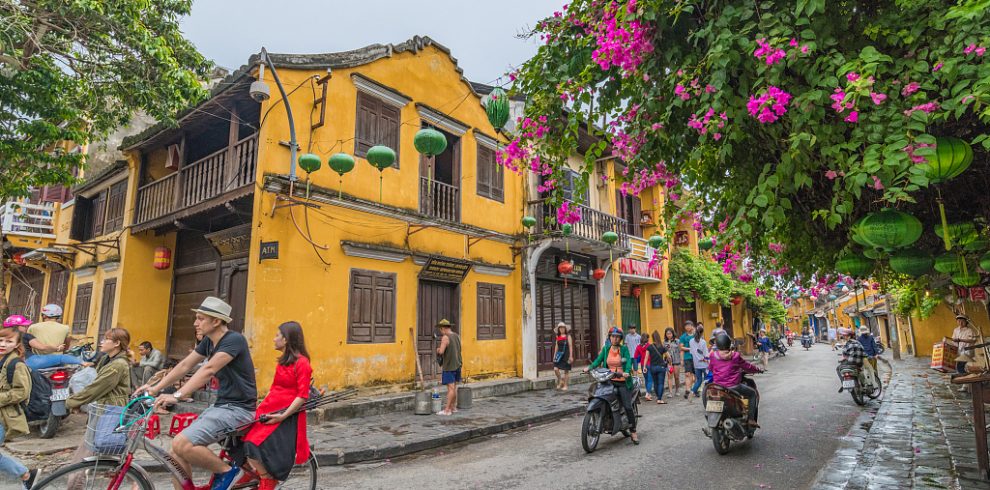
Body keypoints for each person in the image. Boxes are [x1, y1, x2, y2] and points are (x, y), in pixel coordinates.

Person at [138, 297, 257, 490]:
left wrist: (176, 395)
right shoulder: (209, 342)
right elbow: (185, 365)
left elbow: (208, 369)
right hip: (221, 407)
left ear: (216, 321)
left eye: (200, 318)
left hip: (239, 409)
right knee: (176, 453)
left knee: (183, 444)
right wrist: (154, 388)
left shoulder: (234, 340)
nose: (195, 323)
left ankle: (229, 472)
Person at [241, 322, 312, 490]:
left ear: (286, 339)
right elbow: (275, 389)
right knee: (239, 437)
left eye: (277, 336)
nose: (274, 339)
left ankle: (267, 480)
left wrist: (283, 415)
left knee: (251, 444)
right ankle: (257, 476)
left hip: (284, 414)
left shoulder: (302, 363)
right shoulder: (283, 361)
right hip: (269, 409)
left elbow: (302, 395)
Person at [0, 320, 40, 489]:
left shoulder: (16, 365)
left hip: (3, 418)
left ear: (17, 345)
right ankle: (26, 474)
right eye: (1, 340)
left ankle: (26, 473)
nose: (3, 344)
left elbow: (21, 392)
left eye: (9, 341)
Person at [585, 327, 638, 444]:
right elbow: (597, 361)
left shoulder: (624, 349)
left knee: (628, 406)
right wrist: (589, 368)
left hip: (622, 381)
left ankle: (633, 431)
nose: (614, 338)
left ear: (620, 338)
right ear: (610, 337)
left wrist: (626, 372)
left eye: (617, 336)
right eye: (613, 336)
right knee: (598, 393)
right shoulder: (606, 349)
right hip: (608, 380)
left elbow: (628, 362)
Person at [708, 333, 763, 427]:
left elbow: (710, 368)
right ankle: (750, 419)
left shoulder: (713, 356)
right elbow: (747, 366)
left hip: (718, 387)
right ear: (729, 344)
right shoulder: (735, 356)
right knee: (752, 393)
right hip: (733, 386)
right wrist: (757, 369)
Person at [25, 304, 82, 370]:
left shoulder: (33, 327)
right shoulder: (65, 328)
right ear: (58, 316)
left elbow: (27, 343)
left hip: (38, 362)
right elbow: (66, 346)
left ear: (44, 315)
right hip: (58, 361)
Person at [436, 319, 462, 416]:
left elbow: (441, 352)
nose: (440, 331)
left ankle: (447, 410)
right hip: (457, 364)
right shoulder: (457, 336)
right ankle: (453, 407)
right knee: (454, 387)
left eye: (440, 329)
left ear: (443, 328)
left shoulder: (445, 337)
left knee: (450, 388)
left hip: (449, 365)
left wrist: (438, 349)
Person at [836, 327, 865, 392]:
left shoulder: (848, 344)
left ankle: (843, 383)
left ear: (849, 336)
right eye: (843, 335)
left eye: (845, 336)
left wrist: (842, 359)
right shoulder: (858, 342)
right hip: (859, 363)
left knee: (838, 369)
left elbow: (845, 355)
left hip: (851, 363)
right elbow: (863, 352)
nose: (843, 337)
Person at [645, 331, 669, 404]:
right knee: (661, 383)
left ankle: (658, 396)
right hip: (661, 367)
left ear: (652, 338)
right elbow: (669, 356)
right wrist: (669, 363)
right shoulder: (662, 346)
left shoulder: (649, 347)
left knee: (655, 383)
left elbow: (646, 357)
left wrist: (644, 366)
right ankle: (659, 399)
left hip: (653, 367)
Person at [689, 326, 710, 399]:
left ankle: (692, 392)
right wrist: (707, 359)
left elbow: (691, 352)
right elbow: (706, 353)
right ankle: (707, 394)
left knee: (699, 380)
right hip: (704, 364)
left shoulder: (691, 341)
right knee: (708, 379)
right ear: (702, 333)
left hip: (696, 364)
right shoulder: (703, 342)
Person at [552, 322, 573, 391]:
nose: (561, 329)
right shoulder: (558, 337)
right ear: (558, 329)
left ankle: (565, 385)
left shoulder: (568, 336)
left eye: (562, 327)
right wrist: (554, 355)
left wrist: (571, 356)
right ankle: (560, 380)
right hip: (559, 355)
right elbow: (556, 346)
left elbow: (570, 346)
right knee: (555, 369)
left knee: (566, 371)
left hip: (566, 355)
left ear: (565, 329)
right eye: (560, 328)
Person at [663, 328, 682, 397]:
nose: (669, 335)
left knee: (676, 377)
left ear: (673, 333)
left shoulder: (677, 341)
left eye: (670, 333)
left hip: (676, 360)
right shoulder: (664, 342)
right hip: (669, 362)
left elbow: (680, 351)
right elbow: (663, 352)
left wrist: (681, 360)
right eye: (667, 334)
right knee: (669, 377)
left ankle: (677, 389)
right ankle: (670, 392)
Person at [679, 321, 696, 399]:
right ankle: (687, 390)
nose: (688, 327)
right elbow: (681, 347)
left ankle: (694, 389)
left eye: (689, 325)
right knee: (687, 374)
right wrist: (689, 348)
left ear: (692, 326)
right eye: (686, 326)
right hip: (687, 357)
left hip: (696, 357)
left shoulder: (696, 336)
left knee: (695, 375)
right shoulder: (683, 337)